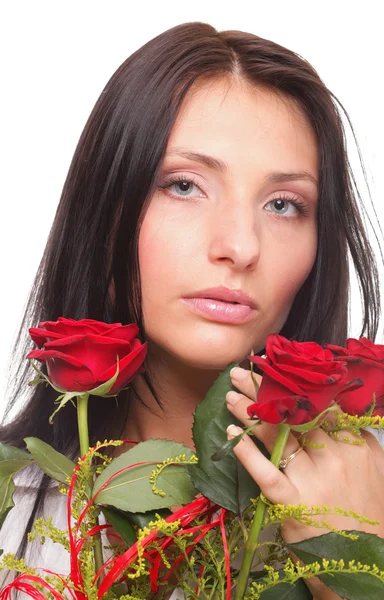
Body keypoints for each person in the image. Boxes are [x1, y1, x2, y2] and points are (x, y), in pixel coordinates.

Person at [0, 21, 383, 600]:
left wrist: (355, 563)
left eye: (283, 204)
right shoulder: (16, 508)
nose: (241, 245)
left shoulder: (370, 498)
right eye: (184, 186)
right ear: (104, 211)